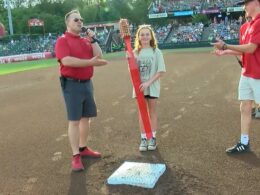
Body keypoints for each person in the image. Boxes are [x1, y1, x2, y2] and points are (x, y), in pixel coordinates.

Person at [55, 10, 108, 171]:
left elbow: (98, 55)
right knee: (75, 120)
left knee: (86, 118)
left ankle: (83, 148)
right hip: (72, 84)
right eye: (76, 19)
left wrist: (93, 39)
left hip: (86, 83)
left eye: (81, 19)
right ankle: (75, 155)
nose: (80, 22)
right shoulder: (62, 40)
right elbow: (66, 61)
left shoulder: (85, 40)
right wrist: (89, 62)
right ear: (68, 23)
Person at [212, 0, 260, 154]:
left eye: (246, 3)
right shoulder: (247, 26)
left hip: (258, 74)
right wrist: (225, 52)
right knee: (245, 106)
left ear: (256, 3)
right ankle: (244, 143)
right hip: (246, 72)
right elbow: (243, 51)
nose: (244, 6)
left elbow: (251, 48)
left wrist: (226, 46)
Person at [130, 25, 166, 152]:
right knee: (142, 113)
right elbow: (132, 71)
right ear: (138, 37)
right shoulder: (134, 53)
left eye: (147, 34)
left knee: (152, 112)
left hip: (152, 87)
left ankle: (152, 137)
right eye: (142, 34)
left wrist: (148, 83)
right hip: (139, 88)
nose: (145, 36)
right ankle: (144, 138)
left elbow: (161, 71)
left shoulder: (156, 51)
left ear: (151, 36)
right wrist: (129, 60)